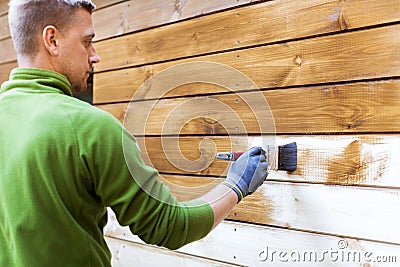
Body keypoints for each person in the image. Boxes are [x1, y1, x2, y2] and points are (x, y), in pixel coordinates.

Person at [0, 0, 269, 266]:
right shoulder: (90, 128)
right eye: (87, 41)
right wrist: (236, 185)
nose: (95, 55)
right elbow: (169, 225)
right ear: (52, 40)